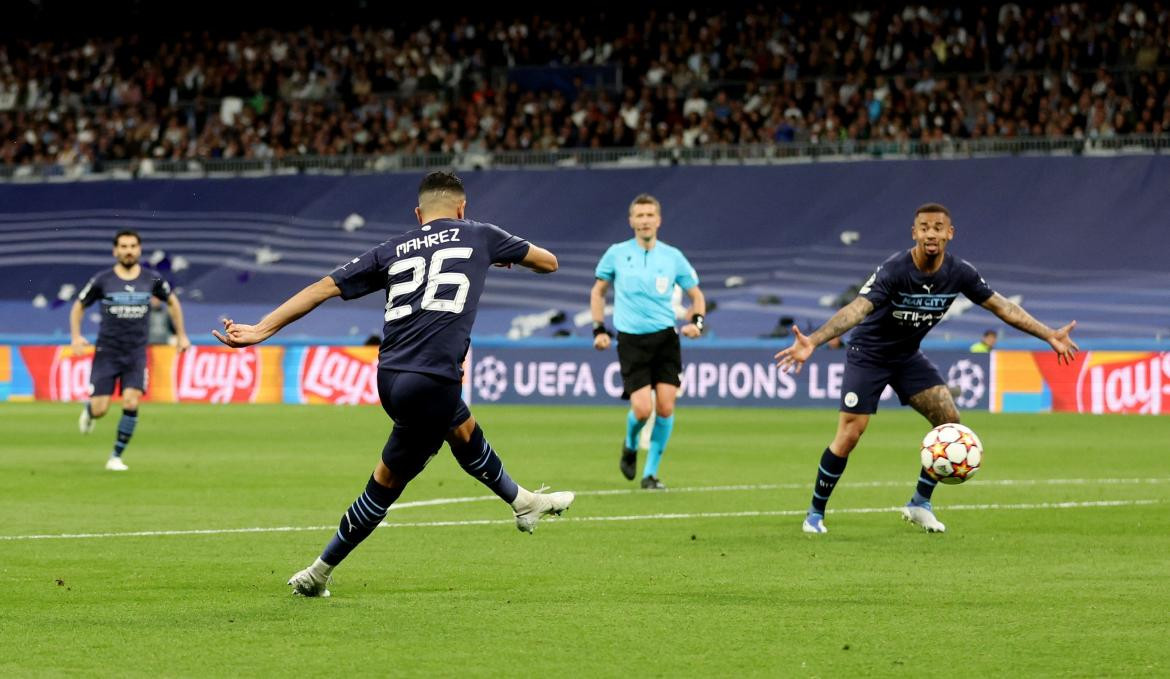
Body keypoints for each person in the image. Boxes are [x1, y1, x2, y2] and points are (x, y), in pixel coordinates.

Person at [213, 171, 574, 597]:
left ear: (419, 214)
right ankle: (317, 573)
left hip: (391, 376)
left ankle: (523, 502)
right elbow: (549, 262)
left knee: (462, 429)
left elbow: (322, 288)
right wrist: (493, 255)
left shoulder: (394, 248)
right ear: (462, 208)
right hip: (435, 377)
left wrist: (261, 329)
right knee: (385, 484)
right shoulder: (480, 235)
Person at [774, 203, 1078, 534]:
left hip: (906, 356)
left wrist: (1048, 333)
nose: (930, 233)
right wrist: (814, 340)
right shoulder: (895, 269)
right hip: (869, 354)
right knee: (849, 434)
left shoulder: (960, 272)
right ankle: (815, 514)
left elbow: (1001, 306)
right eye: (924, 227)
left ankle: (920, 502)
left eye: (937, 227)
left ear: (950, 233)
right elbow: (858, 309)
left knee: (949, 422)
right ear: (915, 233)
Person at [590, 193, 706, 490]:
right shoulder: (616, 253)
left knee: (666, 408)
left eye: (649, 215)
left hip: (666, 338)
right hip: (631, 340)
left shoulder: (673, 256)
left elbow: (696, 295)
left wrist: (696, 323)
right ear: (631, 221)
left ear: (658, 220)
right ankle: (630, 444)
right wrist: (598, 329)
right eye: (639, 216)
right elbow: (598, 292)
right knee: (642, 410)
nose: (644, 221)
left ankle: (650, 475)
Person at [71, 229, 191, 471]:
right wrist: (75, 337)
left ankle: (116, 456)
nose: (128, 251)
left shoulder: (152, 279)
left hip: (136, 352)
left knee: (131, 400)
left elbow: (172, 302)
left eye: (132, 246)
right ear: (115, 251)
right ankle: (89, 412)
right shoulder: (103, 280)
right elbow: (78, 306)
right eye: (123, 246)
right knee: (100, 408)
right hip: (107, 350)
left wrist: (181, 335)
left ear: (139, 249)